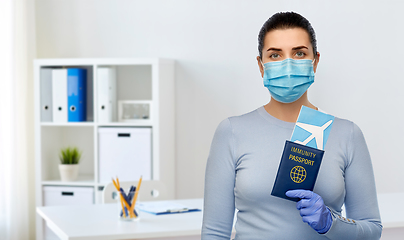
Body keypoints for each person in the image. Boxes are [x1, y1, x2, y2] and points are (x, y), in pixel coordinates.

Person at [201, 12, 382, 240]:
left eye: (299, 53)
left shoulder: (347, 134)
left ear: (315, 61)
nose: (288, 65)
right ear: (261, 65)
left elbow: (372, 230)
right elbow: (214, 233)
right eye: (275, 55)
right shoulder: (231, 132)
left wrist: (331, 223)